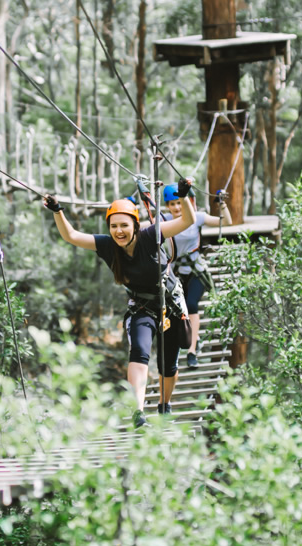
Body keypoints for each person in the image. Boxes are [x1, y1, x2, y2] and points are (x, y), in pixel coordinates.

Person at [43, 179, 196, 428]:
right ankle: (138, 411)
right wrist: (58, 211)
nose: (119, 231)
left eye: (124, 225)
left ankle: (164, 405)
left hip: (170, 305)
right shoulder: (107, 246)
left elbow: (187, 221)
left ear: (135, 225)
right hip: (142, 307)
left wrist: (185, 195)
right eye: (114, 226)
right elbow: (71, 236)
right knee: (139, 351)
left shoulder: (151, 235)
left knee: (168, 365)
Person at [162, 184, 232, 368]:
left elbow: (226, 222)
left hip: (196, 271)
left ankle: (192, 351)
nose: (177, 208)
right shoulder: (165, 220)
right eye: (172, 204)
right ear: (167, 207)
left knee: (191, 305)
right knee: (179, 312)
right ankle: (195, 337)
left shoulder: (197, 217)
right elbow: (144, 227)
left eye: (179, 203)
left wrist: (221, 204)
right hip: (176, 273)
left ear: (187, 201)